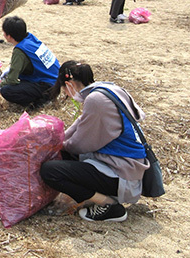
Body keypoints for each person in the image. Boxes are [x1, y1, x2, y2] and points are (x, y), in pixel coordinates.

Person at [39, 61, 149, 222]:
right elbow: (81, 123)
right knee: (63, 153)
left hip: (123, 172)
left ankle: (109, 205)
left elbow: (80, 145)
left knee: (50, 171)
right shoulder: (107, 89)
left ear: (69, 85)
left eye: (65, 91)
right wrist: (59, 140)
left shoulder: (95, 100)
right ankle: (100, 196)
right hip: (131, 166)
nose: (68, 95)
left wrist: (59, 145)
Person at [0, 16, 60, 109]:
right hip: (56, 81)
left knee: (6, 90)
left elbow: (12, 80)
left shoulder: (19, 50)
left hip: (48, 85)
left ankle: (39, 101)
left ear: (9, 36)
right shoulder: (30, 38)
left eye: (4, 32)